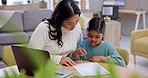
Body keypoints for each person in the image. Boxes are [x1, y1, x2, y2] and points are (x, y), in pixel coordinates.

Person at [28, 0, 82, 66]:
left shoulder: (77, 26)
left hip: (67, 67)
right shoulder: (44, 28)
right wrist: (59, 59)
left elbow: (75, 50)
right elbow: (32, 55)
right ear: (59, 19)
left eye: (77, 21)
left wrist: (76, 53)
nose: (74, 26)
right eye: (69, 23)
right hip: (45, 67)